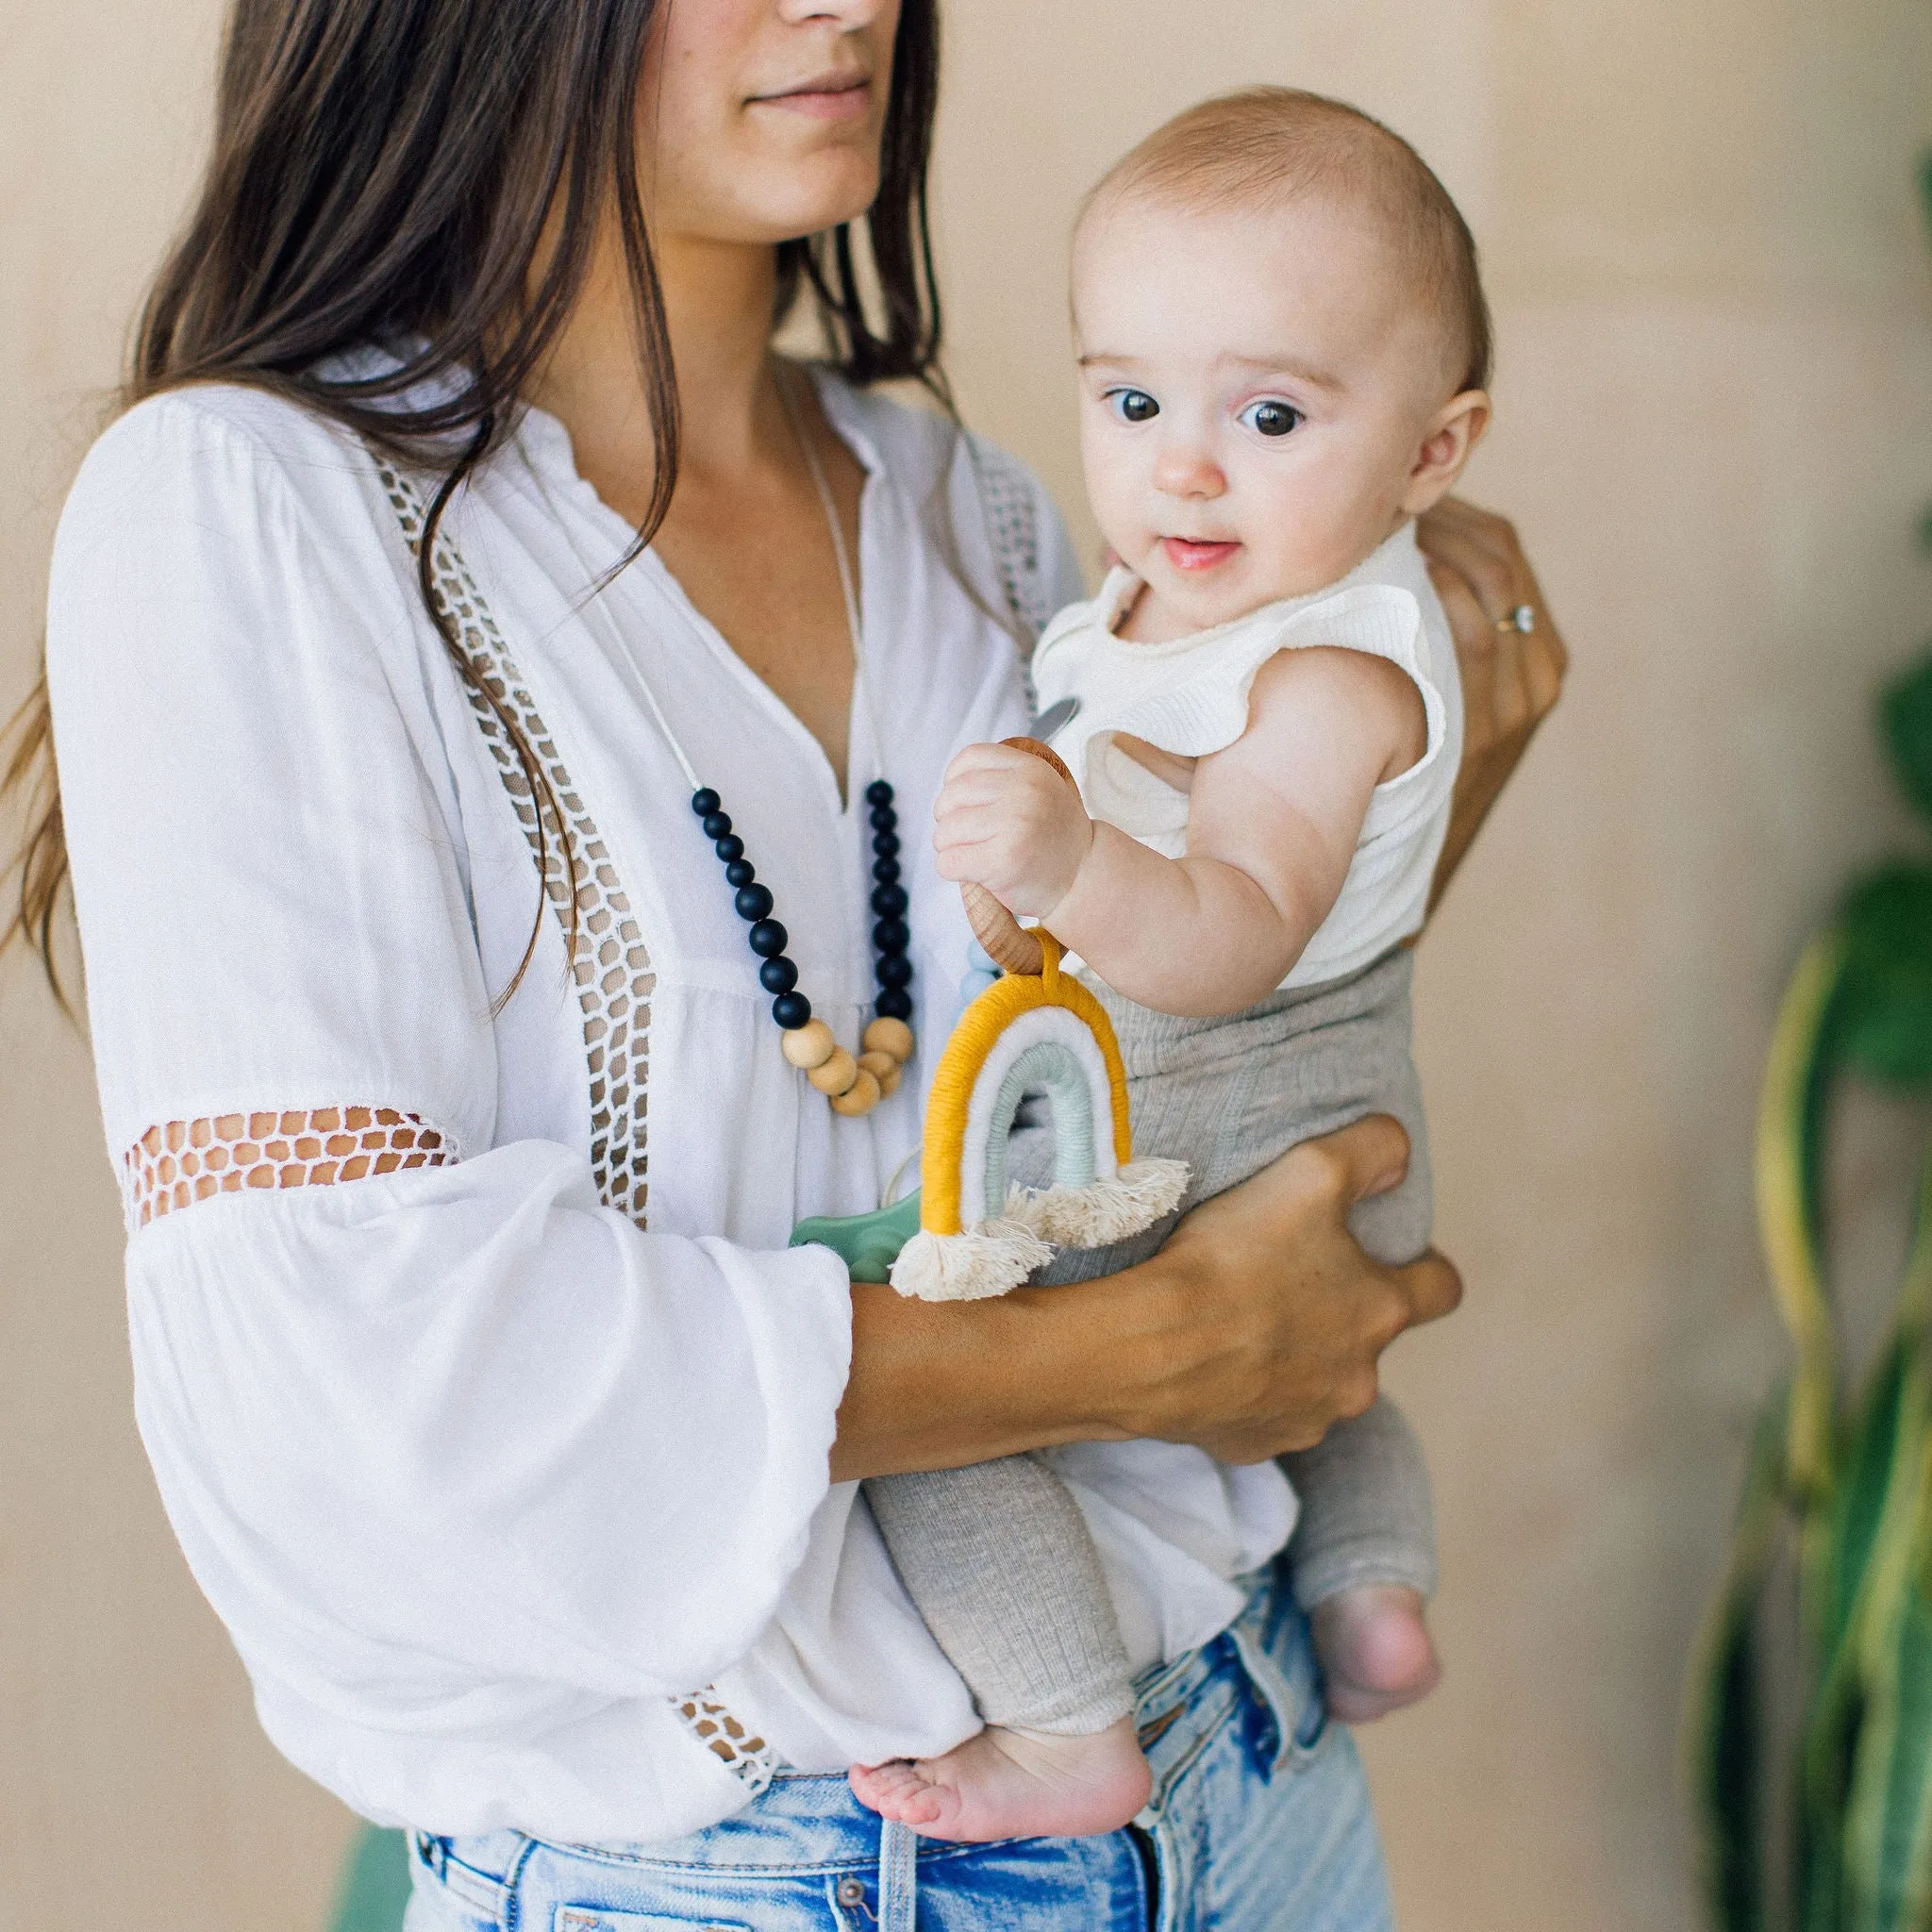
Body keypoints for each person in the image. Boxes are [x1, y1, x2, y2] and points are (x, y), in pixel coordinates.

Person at [8, 3, 1563, 1926]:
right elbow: (362, 1401)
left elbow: (1095, 1098)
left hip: (1257, 1765)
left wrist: (1414, 809)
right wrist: (1145, 1352)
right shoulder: (253, 508)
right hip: (741, 1866)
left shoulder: (968, 505)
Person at [851, 85, 1487, 1846]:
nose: (1180, 464)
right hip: (1315, 1127)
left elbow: (1227, 932)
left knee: (924, 1387)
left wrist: (1072, 860)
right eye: (1130, 400)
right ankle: (1370, 1590)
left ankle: (1063, 1725)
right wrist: (1027, 906)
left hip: (1236, 1078)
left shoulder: (1327, 674)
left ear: (1435, 451)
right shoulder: (1166, 607)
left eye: (1268, 412)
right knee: (1315, 1365)